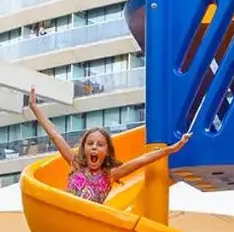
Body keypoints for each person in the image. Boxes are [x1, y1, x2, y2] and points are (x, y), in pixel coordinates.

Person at [27, 87, 191, 204]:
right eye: (90, 144)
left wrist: (173, 148)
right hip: (68, 216)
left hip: (88, 224)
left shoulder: (110, 175)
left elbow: (142, 160)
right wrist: (35, 108)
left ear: (106, 151)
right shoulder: (75, 164)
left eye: (100, 145)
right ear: (84, 147)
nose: (94, 148)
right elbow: (55, 135)